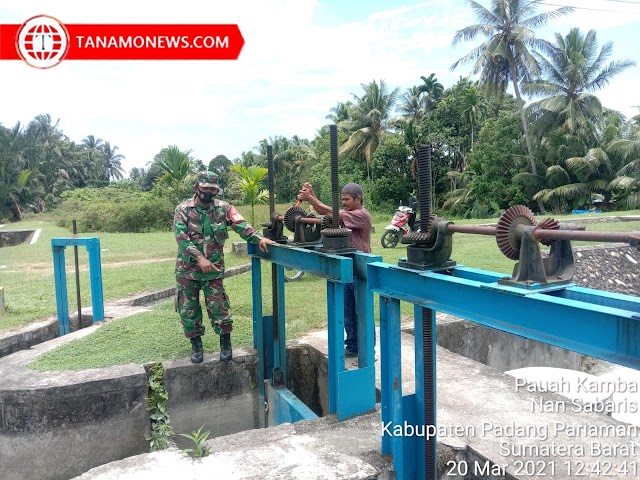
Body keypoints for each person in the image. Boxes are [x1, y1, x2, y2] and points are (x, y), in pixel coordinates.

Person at [173, 171, 275, 363]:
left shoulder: (224, 208)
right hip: (187, 270)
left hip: (213, 270)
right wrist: (199, 259)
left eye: (213, 189)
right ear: (197, 188)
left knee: (219, 307)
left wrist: (259, 238)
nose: (210, 193)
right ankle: (196, 345)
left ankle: (225, 344)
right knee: (188, 309)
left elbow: (241, 225)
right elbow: (181, 238)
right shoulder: (183, 209)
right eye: (206, 189)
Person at [297, 182, 373, 357]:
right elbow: (331, 213)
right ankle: (353, 347)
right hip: (346, 266)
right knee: (348, 311)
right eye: (342, 199)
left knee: (362, 311)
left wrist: (311, 198)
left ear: (358, 199)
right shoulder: (347, 214)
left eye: (347, 199)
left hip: (359, 269)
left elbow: (333, 214)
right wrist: (312, 195)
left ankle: (368, 349)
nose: (344, 202)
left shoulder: (362, 215)